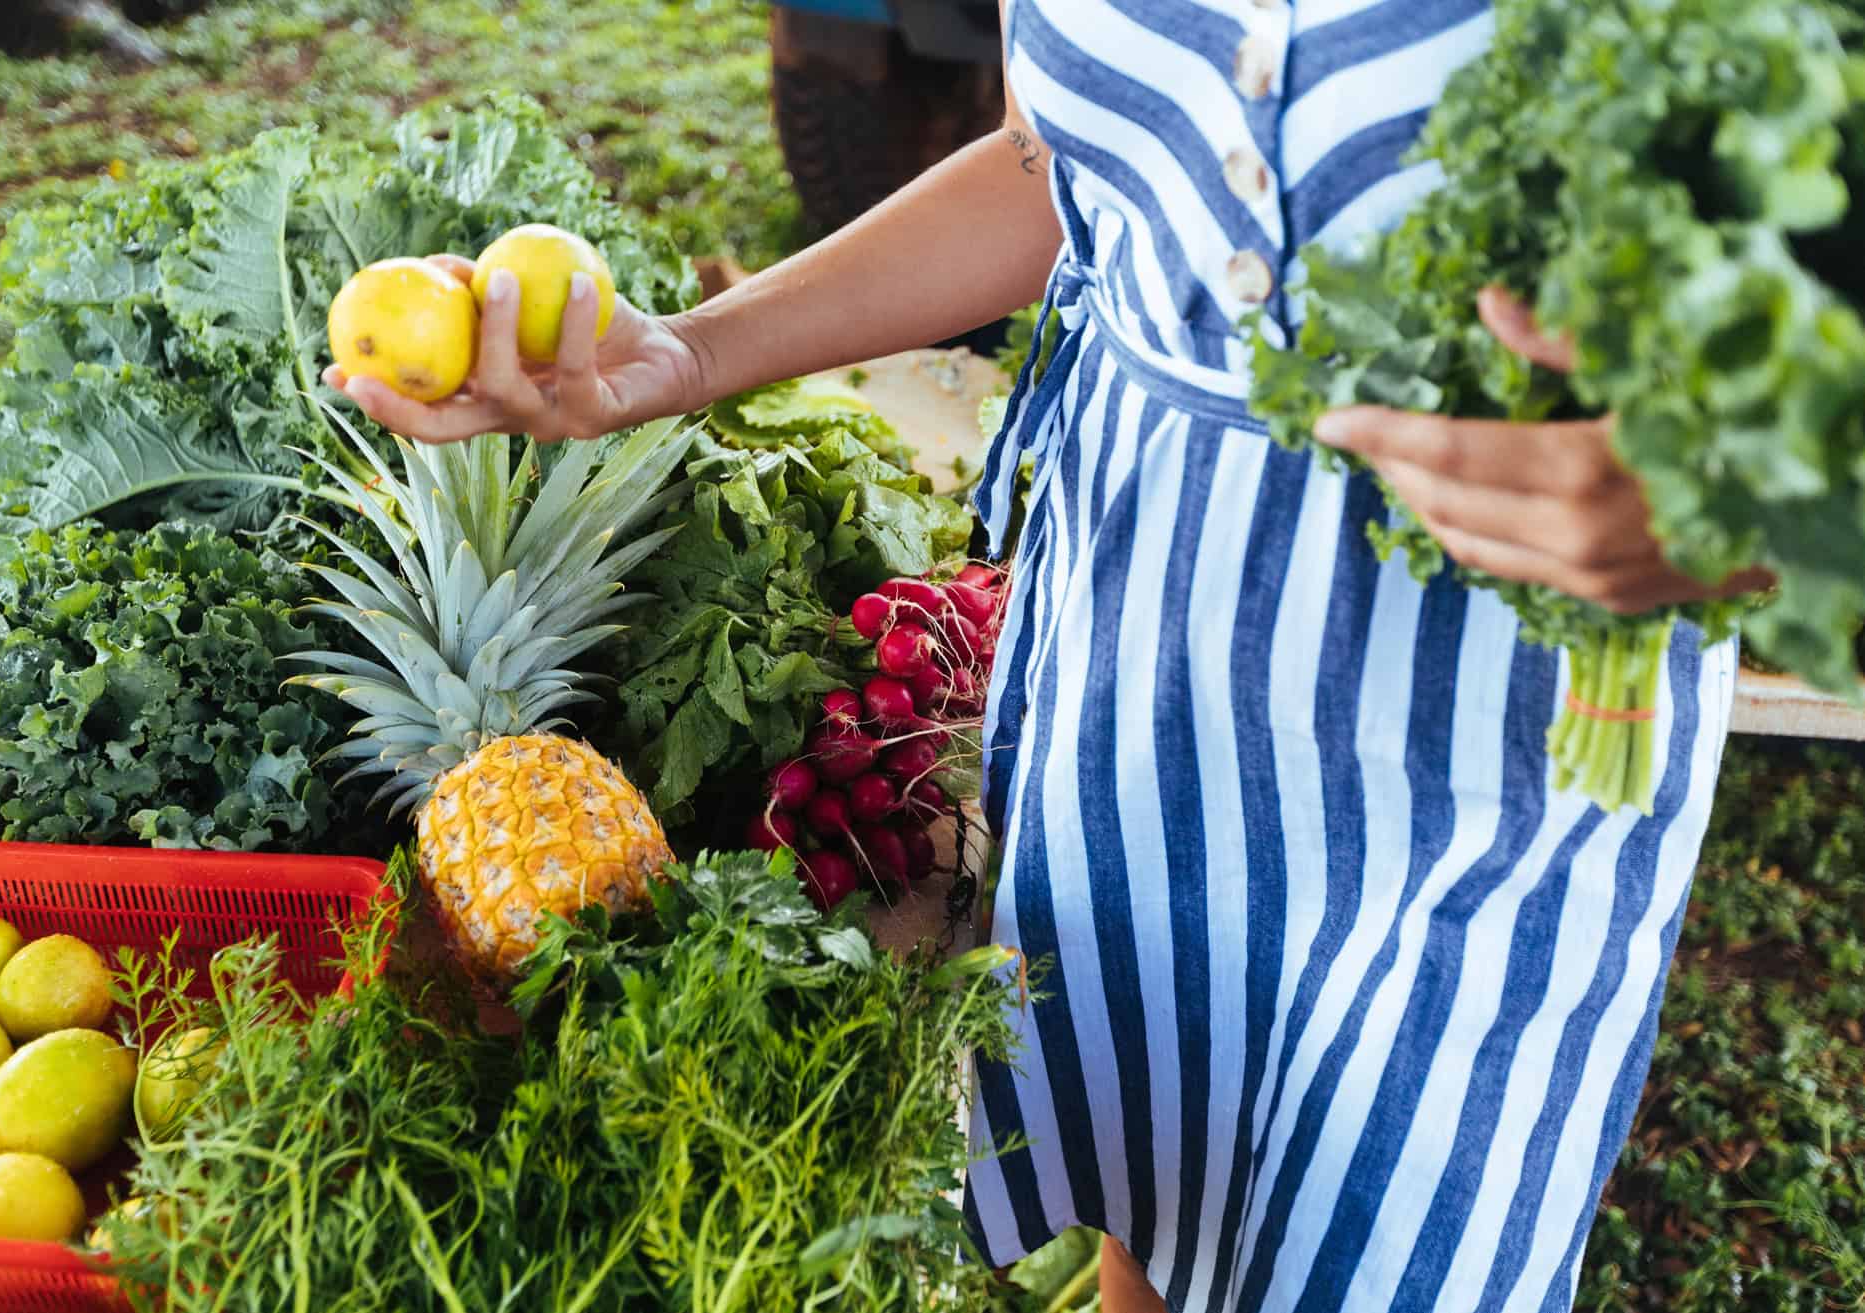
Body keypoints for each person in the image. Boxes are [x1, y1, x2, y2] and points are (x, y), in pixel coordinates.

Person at [327, 2, 1763, 1307]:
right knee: (1158, 1201)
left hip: (1483, 729)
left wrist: (1750, 497)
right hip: (1135, 649)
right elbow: (1052, 158)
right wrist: (692, 354)